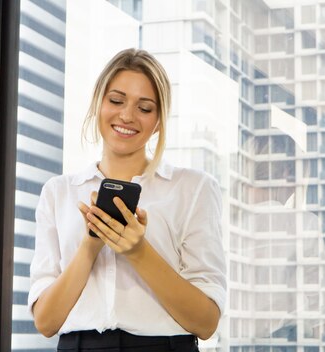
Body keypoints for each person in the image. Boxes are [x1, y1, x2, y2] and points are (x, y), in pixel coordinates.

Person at [28, 48, 227, 351]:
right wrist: (91, 245)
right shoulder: (58, 192)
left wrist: (138, 251)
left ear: (159, 120)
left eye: (145, 108)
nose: (127, 116)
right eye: (116, 100)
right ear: (98, 102)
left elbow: (206, 323)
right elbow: (46, 322)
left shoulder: (194, 188)